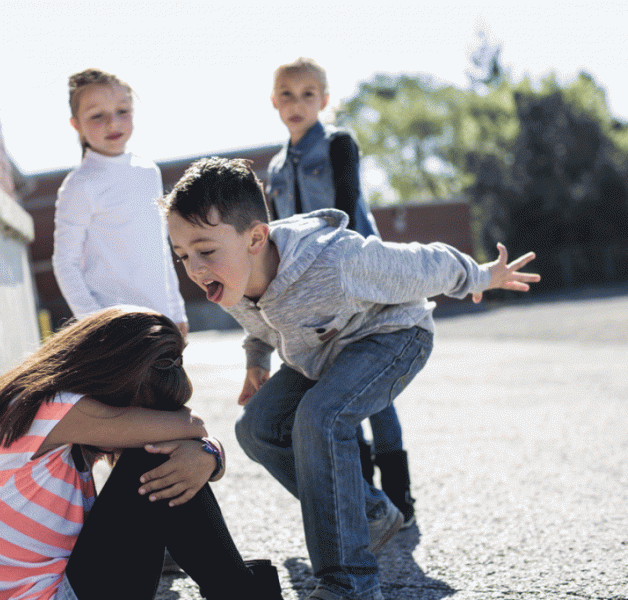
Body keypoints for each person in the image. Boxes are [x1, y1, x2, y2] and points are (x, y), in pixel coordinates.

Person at [160, 158, 540, 600]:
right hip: (323, 354)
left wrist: (480, 275)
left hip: (394, 336)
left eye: (205, 251)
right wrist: (256, 361)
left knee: (320, 418)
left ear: (255, 238)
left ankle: (351, 583)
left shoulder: (335, 261)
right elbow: (259, 323)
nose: (195, 268)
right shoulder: (229, 276)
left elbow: (422, 263)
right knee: (256, 429)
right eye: (182, 255)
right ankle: (369, 512)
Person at [0, 306, 283, 600]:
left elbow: (191, 434)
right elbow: (191, 424)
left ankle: (239, 591)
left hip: (58, 587)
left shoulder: (43, 406)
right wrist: (205, 450)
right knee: (154, 457)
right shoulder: (54, 408)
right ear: (115, 377)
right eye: (142, 414)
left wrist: (209, 455)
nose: (142, 426)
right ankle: (241, 591)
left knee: (161, 456)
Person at [266, 57, 413, 525]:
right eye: (287, 94)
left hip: (358, 281)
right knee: (335, 388)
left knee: (373, 390)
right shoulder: (273, 167)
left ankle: (400, 496)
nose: (297, 103)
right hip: (308, 294)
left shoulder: (338, 144)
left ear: (324, 100)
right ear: (274, 101)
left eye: (308, 94)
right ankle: (367, 500)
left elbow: (348, 210)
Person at [52, 69, 188, 335]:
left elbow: (160, 248)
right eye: (97, 115)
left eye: (122, 111)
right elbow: (64, 262)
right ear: (76, 124)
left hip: (161, 321)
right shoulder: (80, 185)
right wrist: (95, 323)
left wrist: (176, 310)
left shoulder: (149, 172)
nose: (113, 123)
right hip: (116, 329)